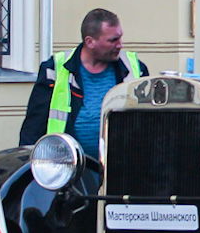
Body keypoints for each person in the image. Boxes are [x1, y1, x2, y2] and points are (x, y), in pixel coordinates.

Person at [20, 8, 147, 158]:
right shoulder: (55, 69)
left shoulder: (136, 69)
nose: (120, 45)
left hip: (121, 166)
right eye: (113, 40)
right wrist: (30, 167)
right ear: (90, 42)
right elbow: (34, 126)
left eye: (120, 38)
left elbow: (148, 125)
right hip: (66, 168)